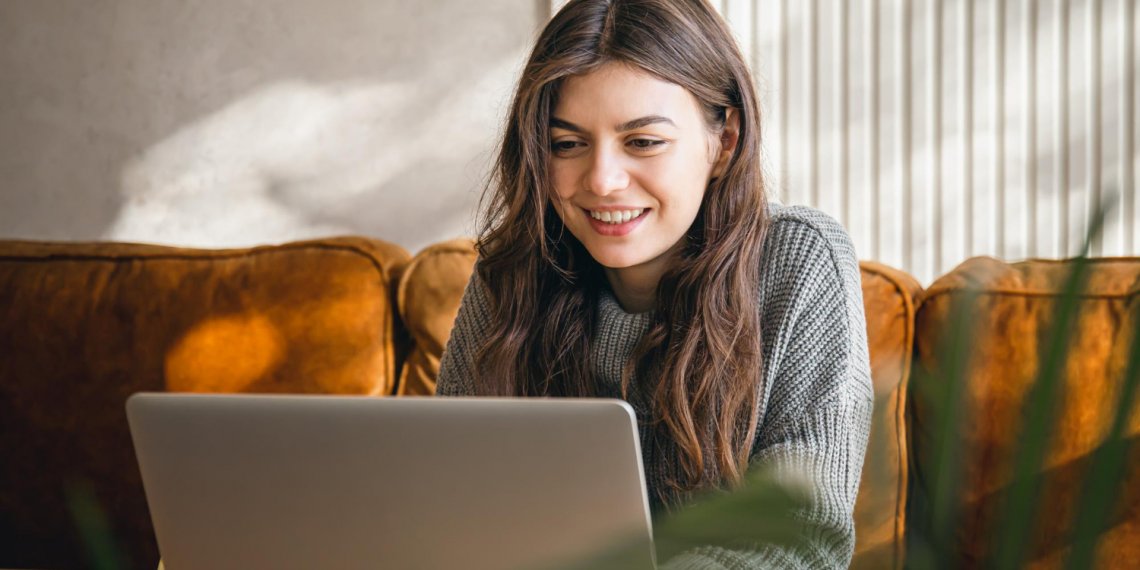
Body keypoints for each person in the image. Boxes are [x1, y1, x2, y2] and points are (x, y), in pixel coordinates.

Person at [435, 0, 873, 567]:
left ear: (726, 141)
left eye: (642, 142)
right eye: (567, 144)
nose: (602, 180)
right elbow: (449, 494)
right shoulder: (514, 267)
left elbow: (800, 539)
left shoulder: (799, 261)